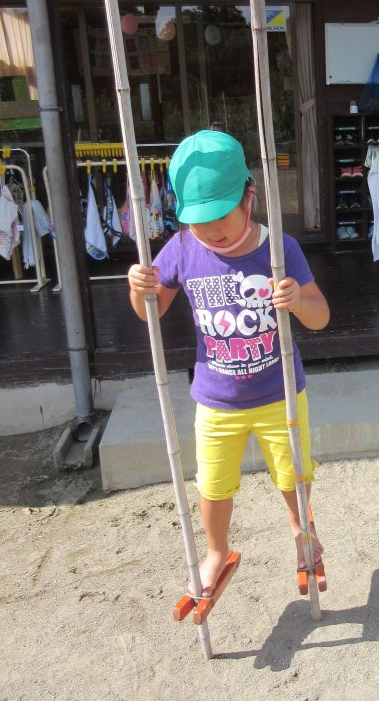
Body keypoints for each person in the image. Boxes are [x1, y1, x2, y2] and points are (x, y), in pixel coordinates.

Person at [127, 130, 330, 597]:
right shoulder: (182, 247)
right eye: (199, 220)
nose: (210, 229)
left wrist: (298, 301)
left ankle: (302, 532)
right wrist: (140, 290)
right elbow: (151, 314)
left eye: (221, 215)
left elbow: (320, 318)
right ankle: (216, 551)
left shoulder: (279, 248)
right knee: (213, 484)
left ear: (248, 198)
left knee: (295, 476)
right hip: (216, 399)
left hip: (280, 394)